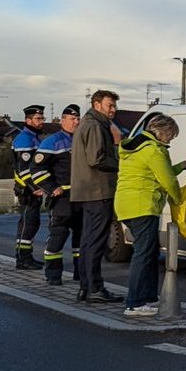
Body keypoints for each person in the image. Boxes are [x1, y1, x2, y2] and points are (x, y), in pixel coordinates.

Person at [114, 114, 186, 317]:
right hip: (143, 205)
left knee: (149, 251)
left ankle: (147, 297)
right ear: (162, 131)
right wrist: (178, 199)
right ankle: (135, 303)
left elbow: (158, 171)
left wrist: (180, 166)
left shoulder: (135, 147)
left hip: (127, 205)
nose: (171, 139)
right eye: (171, 135)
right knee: (143, 254)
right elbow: (167, 180)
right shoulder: (153, 151)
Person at [70, 90, 123, 303]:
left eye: (115, 106)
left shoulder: (89, 124)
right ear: (97, 104)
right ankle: (94, 288)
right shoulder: (94, 126)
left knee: (88, 241)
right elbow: (96, 159)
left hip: (88, 190)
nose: (113, 110)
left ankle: (86, 287)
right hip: (98, 190)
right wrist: (121, 163)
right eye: (110, 105)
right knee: (95, 242)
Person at [31, 104, 83, 286]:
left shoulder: (83, 139)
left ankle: (81, 273)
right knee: (58, 237)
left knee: (82, 239)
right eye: (72, 119)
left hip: (81, 197)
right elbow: (36, 169)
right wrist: (51, 187)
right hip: (61, 198)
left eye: (78, 119)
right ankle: (53, 275)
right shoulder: (52, 141)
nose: (76, 122)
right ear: (62, 121)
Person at [11, 104, 47, 270]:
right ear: (28, 120)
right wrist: (34, 187)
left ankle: (25, 256)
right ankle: (23, 259)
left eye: (42, 118)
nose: (41, 122)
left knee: (31, 222)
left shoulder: (34, 137)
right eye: (38, 119)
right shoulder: (25, 139)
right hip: (27, 189)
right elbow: (24, 169)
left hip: (32, 188)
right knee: (28, 223)